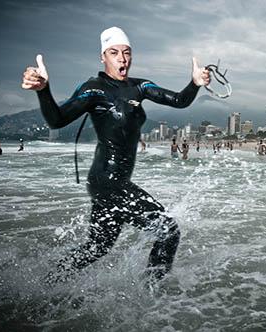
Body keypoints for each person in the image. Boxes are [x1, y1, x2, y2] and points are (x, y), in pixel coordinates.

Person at [21, 26, 210, 284]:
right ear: (103, 57)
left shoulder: (140, 87)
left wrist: (195, 83)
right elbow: (57, 119)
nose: (122, 59)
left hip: (110, 183)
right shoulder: (93, 89)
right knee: (168, 230)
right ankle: (151, 293)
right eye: (114, 52)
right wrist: (43, 90)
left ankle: (48, 283)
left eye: (127, 52)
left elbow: (178, 100)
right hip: (107, 182)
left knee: (97, 247)